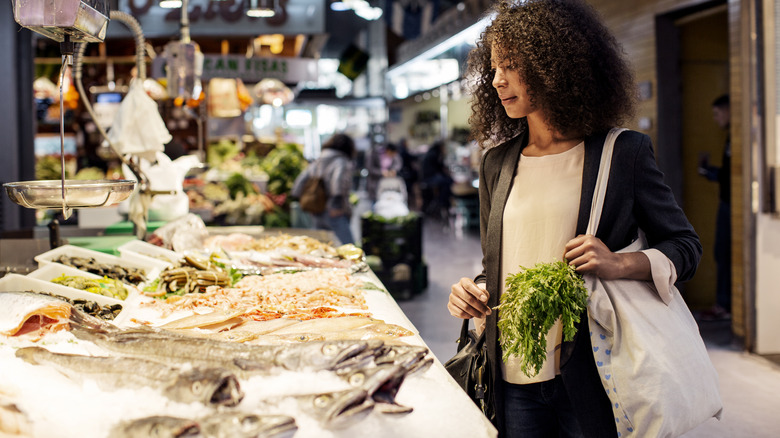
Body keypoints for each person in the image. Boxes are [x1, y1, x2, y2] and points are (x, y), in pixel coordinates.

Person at [446, 1, 702, 437]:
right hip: (511, 372)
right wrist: (474, 291)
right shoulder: (497, 163)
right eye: (493, 68)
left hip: (592, 370)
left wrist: (619, 263)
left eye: (510, 66)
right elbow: (499, 265)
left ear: (552, 66)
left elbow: (685, 246)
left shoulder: (621, 154)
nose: (497, 80)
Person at [698, 94, 732, 320]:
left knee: (725, 253)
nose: (716, 118)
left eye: (718, 113)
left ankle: (725, 305)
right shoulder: (731, 137)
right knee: (722, 253)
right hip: (727, 203)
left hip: (731, 206)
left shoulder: (737, 137)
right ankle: (725, 304)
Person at [291, 133, 356, 245]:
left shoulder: (319, 160)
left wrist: (296, 198)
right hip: (334, 210)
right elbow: (338, 183)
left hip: (316, 208)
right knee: (349, 245)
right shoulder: (341, 161)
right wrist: (336, 205)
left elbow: (300, 181)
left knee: (320, 245)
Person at [420, 140, 453, 219]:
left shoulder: (431, 153)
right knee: (447, 182)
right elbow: (439, 168)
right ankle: (443, 202)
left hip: (428, 177)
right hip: (429, 178)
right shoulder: (434, 154)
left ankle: (443, 202)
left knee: (447, 181)